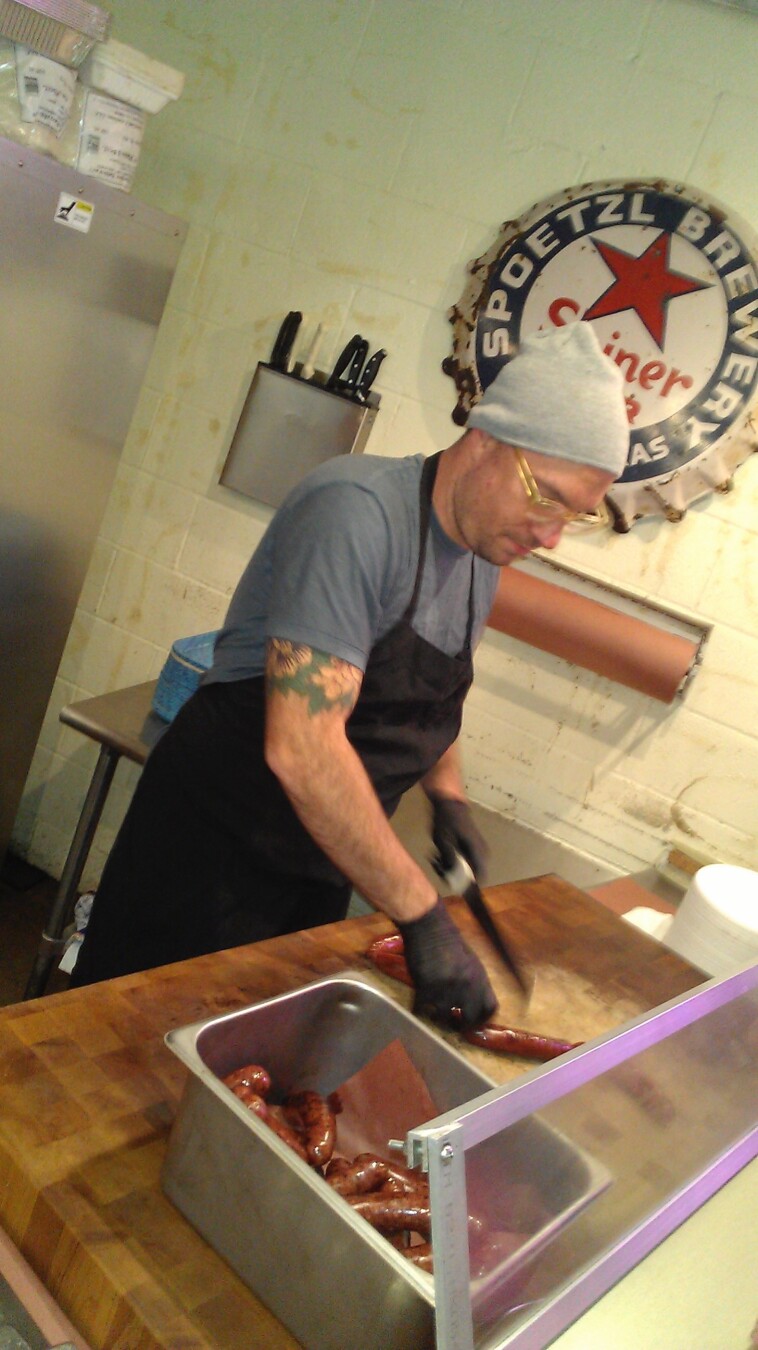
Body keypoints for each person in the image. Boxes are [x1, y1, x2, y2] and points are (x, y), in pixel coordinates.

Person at [70, 322, 629, 1028]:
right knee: (119, 1045)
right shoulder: (357, 512)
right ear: (485, 439)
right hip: (210, 852)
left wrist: (447, 797)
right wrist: (423, 915)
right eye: (545, 497)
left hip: (321, 859)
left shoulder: (484, 553)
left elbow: (431, 694)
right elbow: (304, 748)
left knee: (248, 1054)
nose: (550, 536)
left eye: (574, 516)